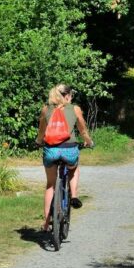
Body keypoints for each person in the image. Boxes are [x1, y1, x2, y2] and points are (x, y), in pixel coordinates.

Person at [36, 83, 93, 232]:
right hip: (69, 150)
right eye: (71, 96)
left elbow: (41, 132)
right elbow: (82, 130)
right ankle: (73, 196)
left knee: (50, 185)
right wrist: (88, 142)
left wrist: (38, 141)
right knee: (73, 169)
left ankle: (47, 222)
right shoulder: (75, 109)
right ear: (67, 96)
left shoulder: (46, 109)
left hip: (51, 151)